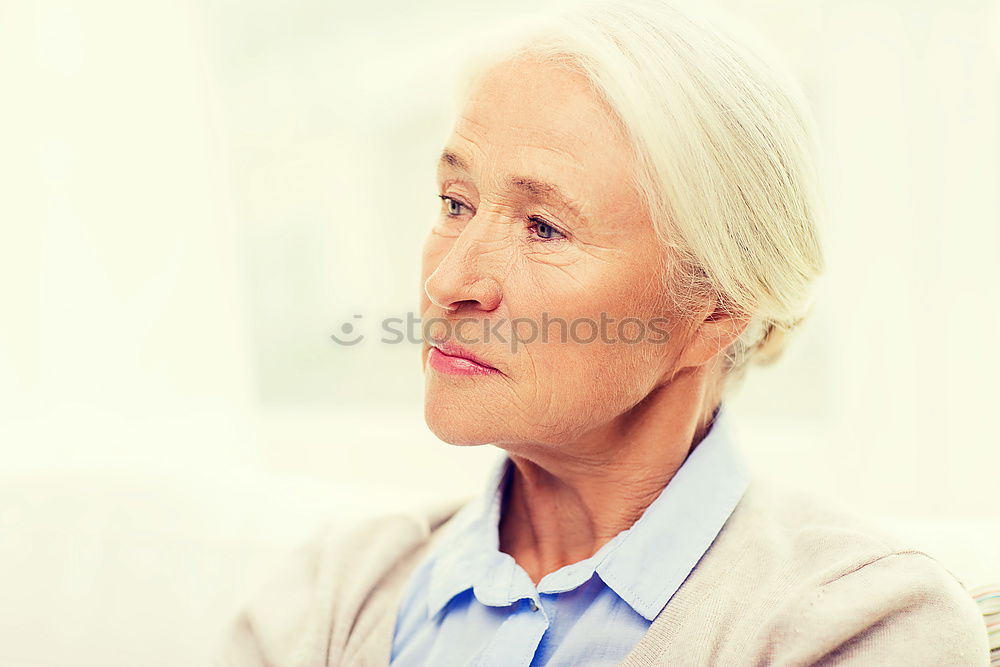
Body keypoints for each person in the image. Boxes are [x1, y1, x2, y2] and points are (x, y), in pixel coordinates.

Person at [215, 0, 990, 664]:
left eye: (544, 227)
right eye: (455, 202)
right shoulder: (329, 598)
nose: (449, 282)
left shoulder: (864, 624)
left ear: (718, 306)